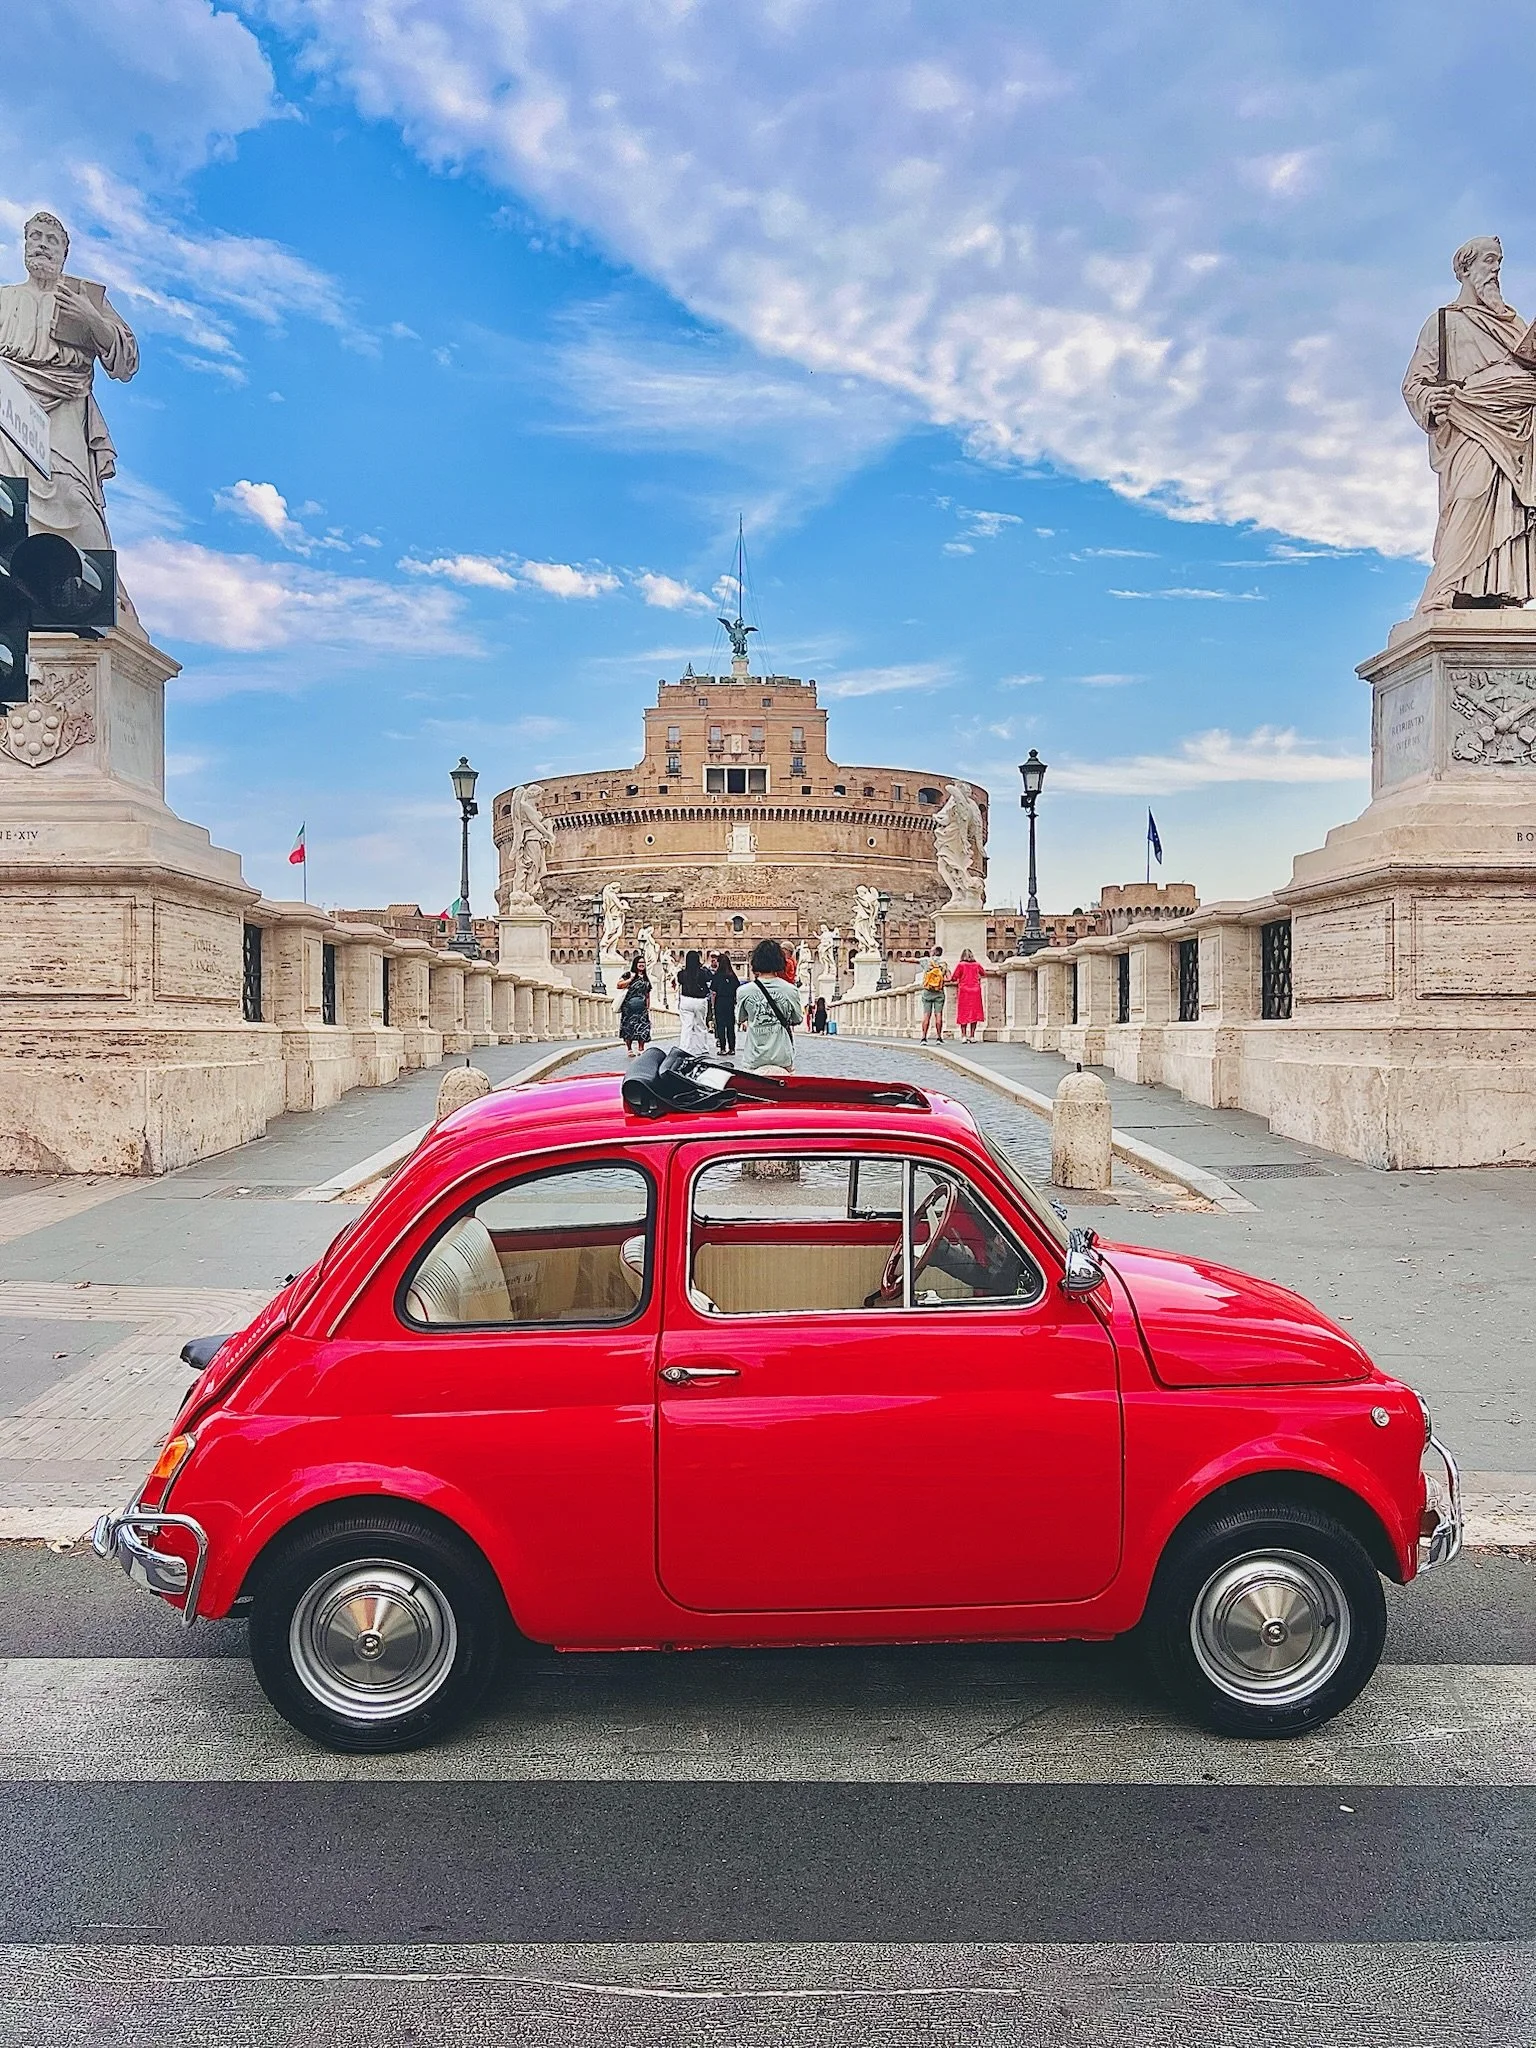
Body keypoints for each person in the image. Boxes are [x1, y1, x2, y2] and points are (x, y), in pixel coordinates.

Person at [736, 938, 803, 1074]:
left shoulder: (744, 991)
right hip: (782, 1059)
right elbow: (797, 1019)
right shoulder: (790, 990)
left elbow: (740, 1018)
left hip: (754, 1059)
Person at [676, 948, 714, 1056]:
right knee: (700, 1025)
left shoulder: (682, 974)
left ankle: (684, 1047)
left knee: (686, 1026)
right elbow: (709, 977)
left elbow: (680, 981)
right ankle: (702, 1048)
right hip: (699, 1001)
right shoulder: (703, 972)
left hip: (686, 1000)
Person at [616, 953, 652, 1057]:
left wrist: (648, 1006)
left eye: (643, 962)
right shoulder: (628, 974)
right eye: (640, 962)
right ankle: (629, 1049)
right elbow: (619, 985)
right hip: (629, 1007)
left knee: (643, 1028)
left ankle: (641, 1048)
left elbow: (648, 993)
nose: (642, 964)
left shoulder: (645, 978)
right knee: (628, 1028)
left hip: (642, 1008)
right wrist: (631, 979)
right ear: (635, 964)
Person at [950, 946, 985, 1043]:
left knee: (963, 1013)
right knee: (974, 1013)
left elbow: (954, 977)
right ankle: (972, 1036)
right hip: (975, 990)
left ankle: (964, 1035)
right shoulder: (976, 965)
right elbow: (983, 973)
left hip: (964, 990)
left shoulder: (961, 965)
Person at [711, 949, 740, 1056]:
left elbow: (713, 992)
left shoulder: (717, 976)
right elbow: (737, 989)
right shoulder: (732, 976)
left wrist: (713, 1006)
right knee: (730, 1026)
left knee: (721, 1026)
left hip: (720, 1002)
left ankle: (722, 1048)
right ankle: (732, 1048)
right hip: (730, 1002)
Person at [919, 944, 947, 1041]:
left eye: (931, 950)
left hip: (927, 991)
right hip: (939, 992)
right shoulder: (943, 963)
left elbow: (914, 960)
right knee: (938, 1015)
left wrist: (904, 959)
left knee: (926, 1015)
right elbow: (949, 978)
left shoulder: (927, 961)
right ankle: (939, 1037)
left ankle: (924, 1037)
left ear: (934, 952)